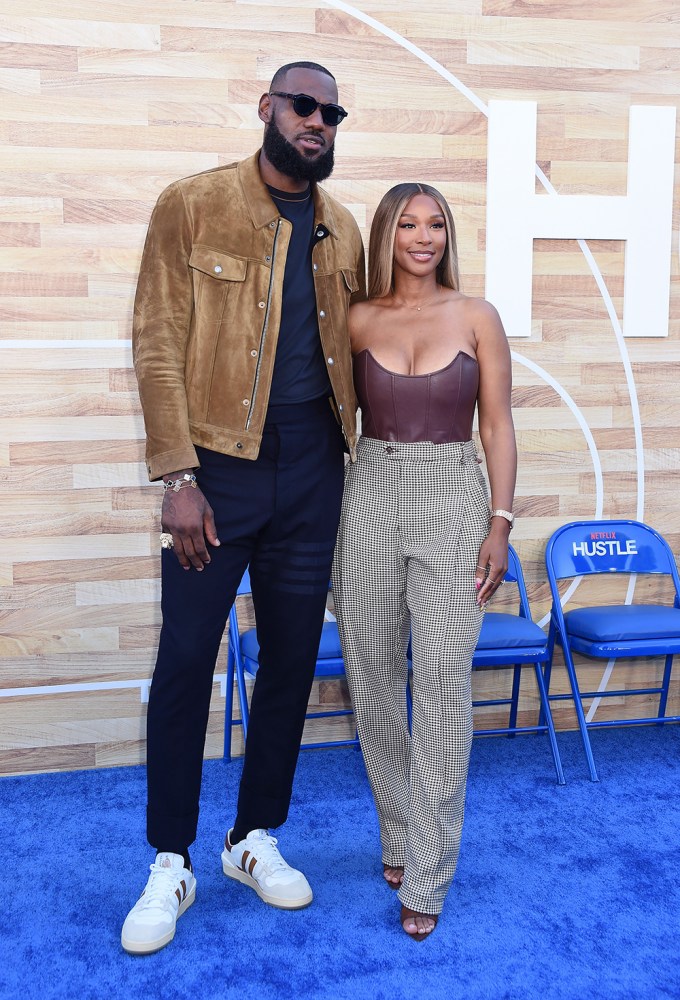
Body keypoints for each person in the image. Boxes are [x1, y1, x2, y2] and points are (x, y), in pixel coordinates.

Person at [122, 61, 366, 955]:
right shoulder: (194, 204)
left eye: (332, 114)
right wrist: (176, 478)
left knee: (293, 659)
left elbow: (356, 356)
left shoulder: (343, 227)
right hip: (217, 473)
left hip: (314, 471)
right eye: (305, 107)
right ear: (267, 109)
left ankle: (251, 837)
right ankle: (171, 857)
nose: (319, 124)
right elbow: (156, 341)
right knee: (185, 659)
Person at [332, 182, 516, 941]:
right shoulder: (356, 319)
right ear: (385, 234)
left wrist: (500, 522)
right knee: (371, 673)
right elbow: (329, 421)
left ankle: (431, 871)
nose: (422, 235)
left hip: (453, 494)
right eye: (407, 223)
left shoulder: (477, 316)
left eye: (435, 223)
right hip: (370, 488)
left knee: (442, 684)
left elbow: (498, 427)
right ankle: (400, 831)